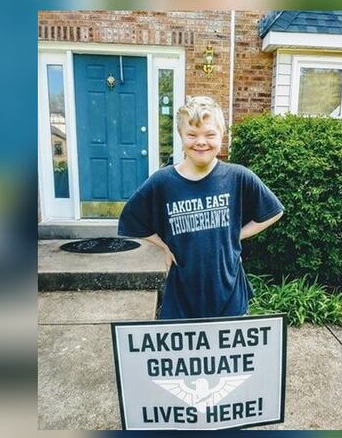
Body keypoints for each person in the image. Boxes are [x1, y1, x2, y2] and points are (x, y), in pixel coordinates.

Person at [118, 96, 284, 319]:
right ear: (181, 136)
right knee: (185, 353)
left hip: (229, 292)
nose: (201, 142)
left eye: (210, 134)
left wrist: (235, 235)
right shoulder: (163, 181)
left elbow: (273, 211)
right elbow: (132, 220)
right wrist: (165, 246)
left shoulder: (238, 177)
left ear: (222, 135)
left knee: (228, 352)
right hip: (182, 295)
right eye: (192, 135)